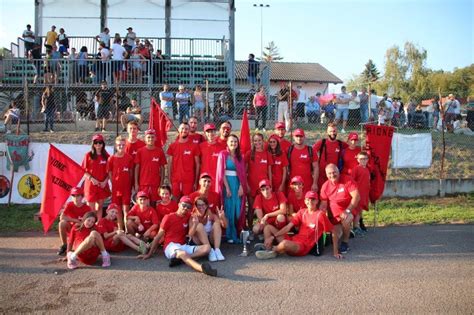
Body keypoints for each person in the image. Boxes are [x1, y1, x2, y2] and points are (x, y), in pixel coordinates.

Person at [138, 196, 218, 277]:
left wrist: (208, 213)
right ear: (179, 204)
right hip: (170, 246)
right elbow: (158, 236)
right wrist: (149, 254)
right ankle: (201, 268)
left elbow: (200, 213)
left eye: (188, 207)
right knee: (182, 253)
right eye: (184, 205)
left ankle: (180, 260)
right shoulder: (168, 217)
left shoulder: (188, 216)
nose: (186, 208)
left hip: (183, 245)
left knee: (207, 248)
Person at [255, 191, 340, 259]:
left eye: (313, 199)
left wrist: (335, 252)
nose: (310, 201)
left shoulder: (320, 215)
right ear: (305, 201)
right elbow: (288, 227)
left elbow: (334, 231)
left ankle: (273, 250)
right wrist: (273, 237)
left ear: (317, 201)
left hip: (303, 246)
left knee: (285, 244)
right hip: (293, 239)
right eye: (308, 199)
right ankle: (268, 245)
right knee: (268, 228)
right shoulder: (302, 212)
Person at [319, 164, 360, 254]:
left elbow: (356, 197)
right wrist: (320, 213)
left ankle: (345, 242)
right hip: (334, 217)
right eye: (329, 173)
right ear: (326, 175)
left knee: (345, 219)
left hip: (348, 211)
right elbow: (323, 204)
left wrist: (347, 211)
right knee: (336, 236)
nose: (332, 175)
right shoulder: (325, 186)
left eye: (334, 172)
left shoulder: (347, 180)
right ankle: (347, 231)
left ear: (338, 172)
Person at [215, 134, 247, 243]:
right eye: (231, 141)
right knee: (228, 209)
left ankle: (238, 233)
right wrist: (227, 188)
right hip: (227, 184)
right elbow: (221, 173)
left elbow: (243, 173)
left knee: (237, 210)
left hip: (237, 185)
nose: (234, 144)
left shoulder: (240, 156)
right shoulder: (223, 154)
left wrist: (242, 186)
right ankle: (229, 234)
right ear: (227, 143)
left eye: (235, 142)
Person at [245, 133, 273, 227]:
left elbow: (269, 171)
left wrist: (270, 185)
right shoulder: (249, 154)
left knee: (264, 209)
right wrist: (247, 185)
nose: (257, 142)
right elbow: (245, 171)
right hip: (252, 185)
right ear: (253, 142)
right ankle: (249, 229)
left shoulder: (267, 154)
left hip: (264, 187)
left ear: (263, 141)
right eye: (255, 141)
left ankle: (263, 229)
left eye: (259, 140)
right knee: (251, 209)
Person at [166, 123, 201, 198]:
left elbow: (198, 164)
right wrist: (169, 180)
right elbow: (169, 164)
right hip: (175, 180)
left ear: (189, 131)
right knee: (175, 201)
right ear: (178, 129)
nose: (184, 130)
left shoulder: (194, 146)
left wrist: (195, 181)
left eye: (186, 129)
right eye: (182, 128)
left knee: (188, 202)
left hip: (189, 180)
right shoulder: (172, 146)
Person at [107, 135, 134, 230]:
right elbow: (110, 172)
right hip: (116, 189)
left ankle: (127, 230)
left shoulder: (129, 158)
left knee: (126, 209)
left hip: (126, 188)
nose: (121, 147)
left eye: (123, 145)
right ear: (115, 145)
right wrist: (113, 183)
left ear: (125, 145)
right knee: (117, 210)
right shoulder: (111, 159)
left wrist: (130, 185)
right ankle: (120, 229)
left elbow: (131, 173)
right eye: (119, 145)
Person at [82, 134, 110, 220]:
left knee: (100, 207)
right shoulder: (88, 155)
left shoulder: (107, 156)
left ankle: (98, 224)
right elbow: (83, 170)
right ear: (93, 144)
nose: (98, 145)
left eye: (100, 142)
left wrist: (105, 181)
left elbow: (110, 171)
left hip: (102, 185)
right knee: (91, 209)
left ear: (103, 144)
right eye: (96, 142)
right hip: (91, 185)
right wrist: (91, 179)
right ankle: (90, 225)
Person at [134, 129, 167, 204]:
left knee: (155, 204)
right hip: (143, 183)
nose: (150, 139)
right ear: (145, 139)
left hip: (155, 184)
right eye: (148, 137)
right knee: (143, 204)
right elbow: (137, 168)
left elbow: (162, 168)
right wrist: (136, 183)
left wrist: (161, 184)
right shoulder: (140, 151)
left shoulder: (159, 151)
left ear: (155, 138)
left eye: (152, 137)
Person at [56, 187, 92, 256]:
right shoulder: (69, 204)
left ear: (82, 197)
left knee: (81, 251)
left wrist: (81, 223)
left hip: (81, 230)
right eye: (73, 196)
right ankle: (64, 245)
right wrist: (75, 220)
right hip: (71, 228)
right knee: (62, 223)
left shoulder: (87, 208)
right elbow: (62, 217)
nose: (75, 198)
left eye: (78, 196)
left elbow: (90, 223)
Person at [191, 196, 227, 261]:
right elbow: (190, 235)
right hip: (199, 241)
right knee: (199, 226)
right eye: (199, 205)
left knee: (216, 224)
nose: (201, 207)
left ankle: (217, 250)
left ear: (207, 205)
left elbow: (225, 226)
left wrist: (222, 218)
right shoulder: (193, 216)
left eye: (203, 204)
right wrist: (195, 224)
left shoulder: (211, 215)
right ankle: (210, 251)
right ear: (195, 206)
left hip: (210, 240)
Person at [313, 123, 348, 188]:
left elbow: (351, 148)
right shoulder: (322, 142)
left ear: (337, 131)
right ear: (327, 132)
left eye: (334, 131)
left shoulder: (340, 144)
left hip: (333, 174)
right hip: (322, 174)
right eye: (330, 131)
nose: (332, 133)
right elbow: (311, 152)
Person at [288, 128, 319, 193]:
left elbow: (316, 167)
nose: (299, 138)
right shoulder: (289, 150)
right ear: (293, 137)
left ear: (304, 137)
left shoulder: (310, 150)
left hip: (307, 183)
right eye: (297, 136)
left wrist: (315, 183)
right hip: (293, 184)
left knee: (307, 202)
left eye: (301, 136)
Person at [351, 152, 370, 235]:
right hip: (358, 194)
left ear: (367, 160)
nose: (363, 160)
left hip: (364, 193)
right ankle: (355, 227)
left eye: (365, 159)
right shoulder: (356, 169)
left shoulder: (367, 169)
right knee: (357, 211)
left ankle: (357, 226)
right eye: (361, 159)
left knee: (360, 210)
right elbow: (352, 181)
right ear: (357, 160)